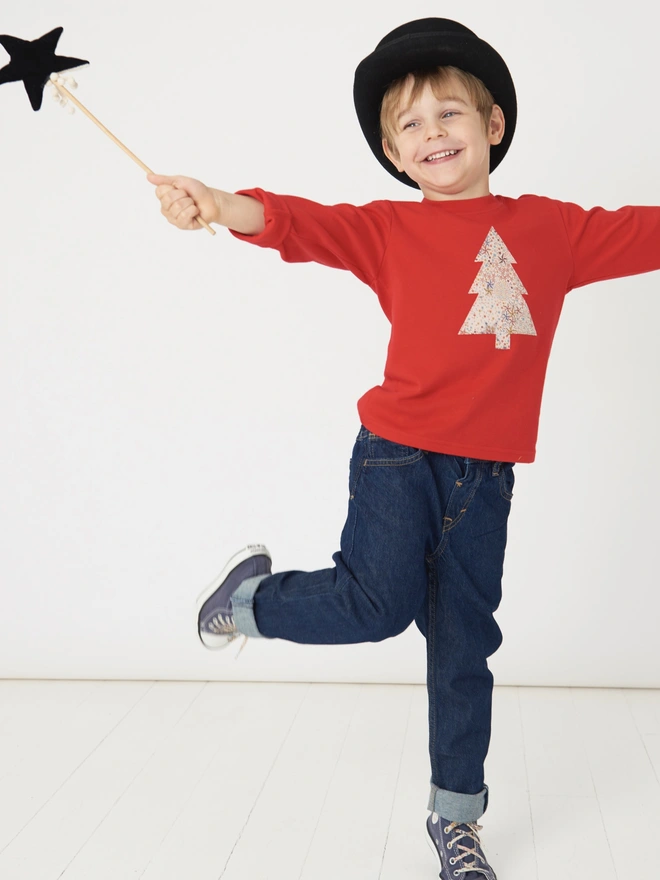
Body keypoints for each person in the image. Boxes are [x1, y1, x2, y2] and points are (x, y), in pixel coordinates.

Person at [147, 18, 660, 880]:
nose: (434, 135)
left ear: (492, 125)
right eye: (411, 126)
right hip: (396, 456)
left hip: (485, 480)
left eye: (449, 114)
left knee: (465, 644)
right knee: (373, 607)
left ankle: (456, 822)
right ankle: (252, 602)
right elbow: (297, 224)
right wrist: (218, 203)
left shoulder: (552, 231)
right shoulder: (387, 229)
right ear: (391, 153)